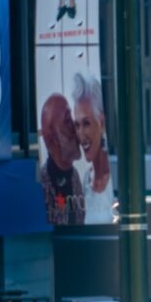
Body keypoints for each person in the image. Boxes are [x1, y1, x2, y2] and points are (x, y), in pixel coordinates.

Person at [72, 72, 113, 224]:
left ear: (101, 122)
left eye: (86, 123)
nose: (80, 134)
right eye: (77, 125)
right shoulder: (85, 180)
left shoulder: (114, 179)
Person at [38, 94, 85, 225]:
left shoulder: (75, 177)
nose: (75, 129)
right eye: (67, 121)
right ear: (51, 136)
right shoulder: (42, 187)